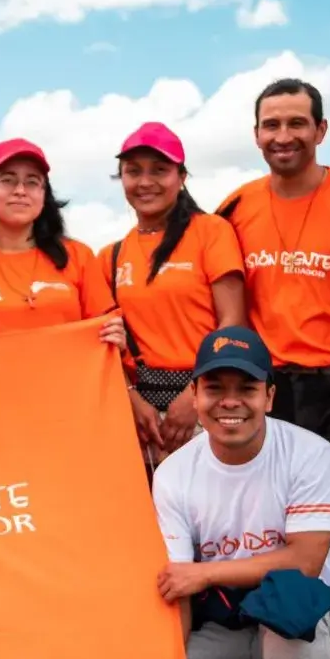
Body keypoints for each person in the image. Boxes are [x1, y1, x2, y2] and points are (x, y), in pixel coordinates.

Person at [215, 79, 330, 659]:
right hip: (269, 388)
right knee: (259, 535)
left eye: (296, 123)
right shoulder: (236, 208)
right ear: (256, 133)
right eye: (271, 124)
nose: (283, 136)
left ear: (321, 129)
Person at [151, 325, 330, 659]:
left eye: (246, 388)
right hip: (226, 628)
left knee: (289, 599)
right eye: (215, 388)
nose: (230, 402)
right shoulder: (174, 472)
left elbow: (305, 562)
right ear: (194, 395)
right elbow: (178, 584)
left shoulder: (311, 454)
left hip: (308, 634)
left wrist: (205, 573)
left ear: (270, 397)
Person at [99, 122, 247, 476]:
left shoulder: (211, 232)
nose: (145, 181)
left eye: (159, 170)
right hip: (142, 417)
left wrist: (197, 395)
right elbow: (107, 345)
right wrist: (133, 401)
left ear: (181, 177)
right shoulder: (111, 256)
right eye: (133, 171)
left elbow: (233, 322)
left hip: (207, 403)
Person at [0, 137, 125, 349]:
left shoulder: (78, 256)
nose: (20, 191)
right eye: (7, 180)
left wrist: (116, 337)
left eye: (32, 182)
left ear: (43, 195)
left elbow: (106, 331)